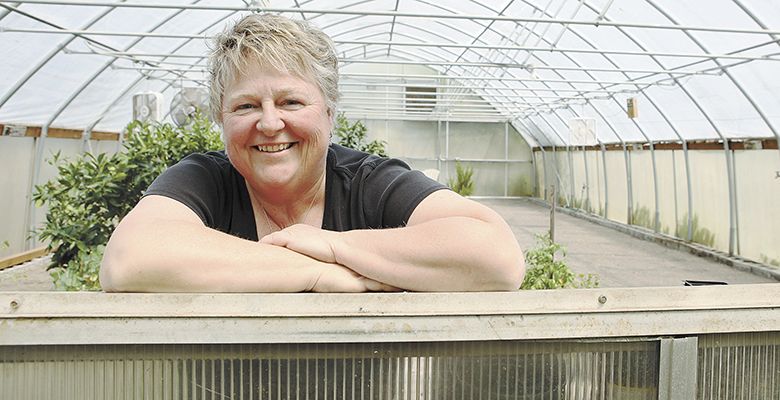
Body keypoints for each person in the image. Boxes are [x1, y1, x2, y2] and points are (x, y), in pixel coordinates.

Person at [100, 13, 524, 293]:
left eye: (291, 102)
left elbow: (497, 257)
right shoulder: (205, 179)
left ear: (329, 112)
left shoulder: (368, 182)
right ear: (221, 118)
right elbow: (129, 258)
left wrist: (329, 245)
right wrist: (318, 272)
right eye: (246, 105)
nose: (268, 123)